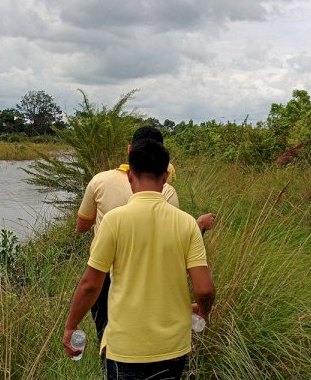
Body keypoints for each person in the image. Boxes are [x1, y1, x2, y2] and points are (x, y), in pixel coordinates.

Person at [63, 138, 216, 380]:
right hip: (173, 348)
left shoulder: (114, 221)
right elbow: (205, 289)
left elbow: (90, 286)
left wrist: (71, 325)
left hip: (126, 350)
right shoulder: (188, 223)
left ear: (130, 175)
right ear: (165, 177)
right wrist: (203, 311)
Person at [76, 126, 215, 341]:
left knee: (106, 330)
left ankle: (111, 361)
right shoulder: (169, 192)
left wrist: (70, 326)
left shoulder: (100, 181)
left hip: (103, 270)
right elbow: (172, 236)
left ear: (130, 150)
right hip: (149, 274)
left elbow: (83, 227)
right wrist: (198, 225)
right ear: (164, 167)